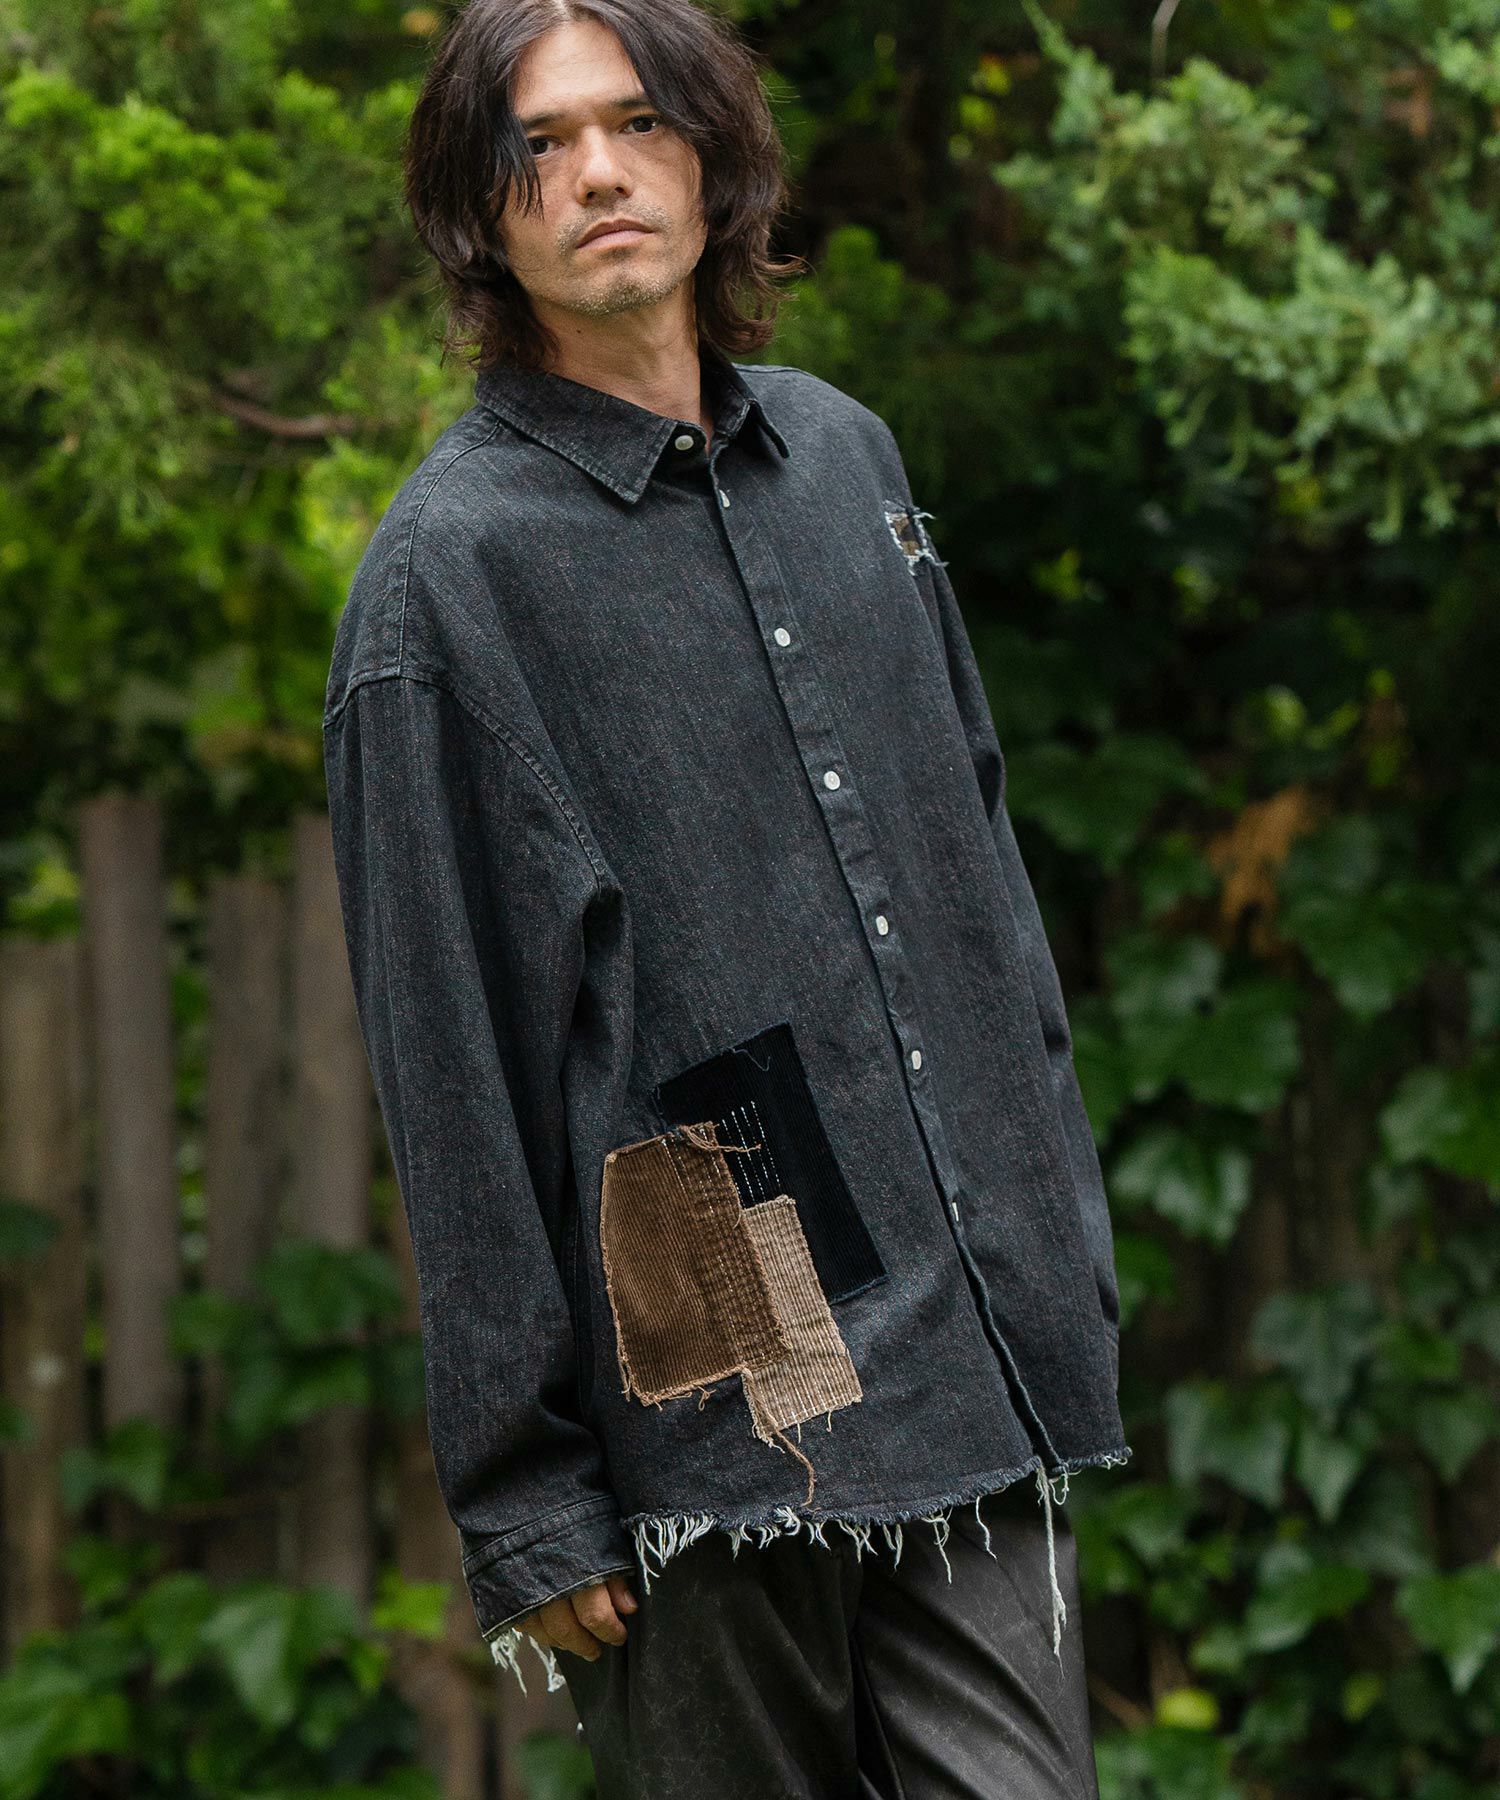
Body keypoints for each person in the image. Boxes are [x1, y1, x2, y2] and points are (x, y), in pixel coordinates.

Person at [322, 1, 1129, 1793]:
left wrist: (1054, 1251)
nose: (598, 174)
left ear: (715, 155)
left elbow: (983, 875)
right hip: (716, 1352)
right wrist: (526, 1498)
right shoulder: (444, 585)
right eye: (538, 145)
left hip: (970, 1327)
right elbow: (451, 1067)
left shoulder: (849, 466)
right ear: (478, 209)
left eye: (638, 123)